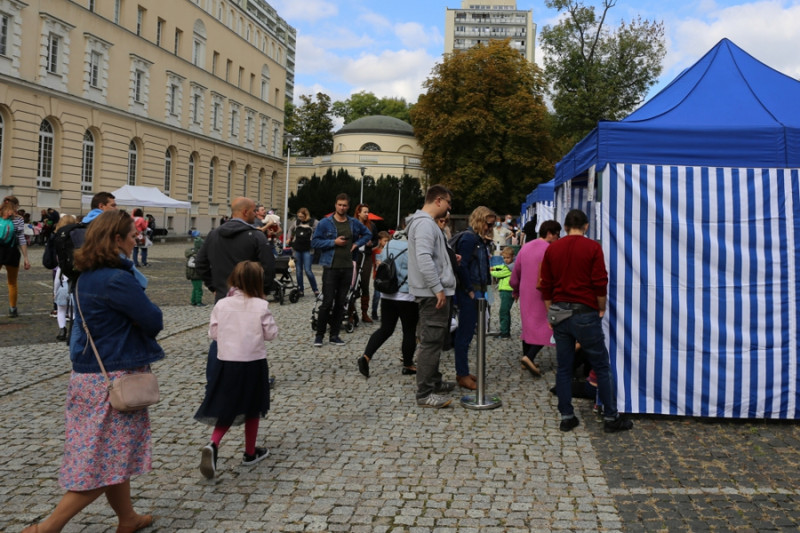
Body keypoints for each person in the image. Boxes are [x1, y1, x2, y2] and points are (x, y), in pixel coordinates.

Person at [22, 210, 164, 533]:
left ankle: (127, 518)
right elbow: (153, 320)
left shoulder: (86, 275)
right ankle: (47, 528)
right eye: (131, 235)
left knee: (114, 454)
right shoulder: (116, 278)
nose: (136, 239)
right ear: (116, 239)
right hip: (114, 381)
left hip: (88, 377)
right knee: (101, 463)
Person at [539, 209, 633, 433]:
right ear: (586, 226)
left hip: (559, 311)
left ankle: (567, 415)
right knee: (601, 365)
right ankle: (611, 417)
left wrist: (549, 312)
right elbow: (600, 281)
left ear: (564, 226)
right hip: (584, 311)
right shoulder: (592, 247)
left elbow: (546, 285)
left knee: (564, 367)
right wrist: (601, 307)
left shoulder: (553, 249)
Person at [195, 261, 278, 479]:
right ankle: (250, 452)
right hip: (253, 362)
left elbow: (213, 333)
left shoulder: (222, 304)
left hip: (227, 362)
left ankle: (213, 443)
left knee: (227, 406)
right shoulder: (261, 305)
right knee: (253, 406)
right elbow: (271, 334)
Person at [195, 197, 276, 387]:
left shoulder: (214, 234)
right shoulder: (256, 236)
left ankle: (214, 379)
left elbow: (200, 263)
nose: (257, 214)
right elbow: (269, 267)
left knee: (221, 338)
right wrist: (262, 290)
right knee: (252, 339)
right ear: (246, 212)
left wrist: (214, 287)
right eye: (255, 211)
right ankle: (257, 379)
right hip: (251, 297)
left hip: (223, 296)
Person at [406, 185, 457, 408]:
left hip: (432, 291)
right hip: (432, 294)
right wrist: (437, 288)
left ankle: (433, 382)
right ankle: (425, 394)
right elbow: (424, 258)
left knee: (435, 340)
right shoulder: (426, 224)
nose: (449, 208)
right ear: (438, 200)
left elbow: (432, 257)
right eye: (448, 203)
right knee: (431, 342)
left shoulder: (425, 224)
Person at [310, 193, 371, 347]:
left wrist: (357, 244)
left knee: (341, 303)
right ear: (335, 205)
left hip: (348, 267)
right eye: (340, 205)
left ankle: (335, 335)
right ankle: (319, 335)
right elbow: (315, 242)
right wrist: (333, 242)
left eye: (345, 205)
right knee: (327, 302)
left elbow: (368, 233)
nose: (342, 207)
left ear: (348, 207)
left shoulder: (352, 222)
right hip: (331, 267)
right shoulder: (325, 223)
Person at [357, 231, 418, 378]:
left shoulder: (389, 244)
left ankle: (366, 356)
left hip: (387, 293)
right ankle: (408, 364)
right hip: (406, 295)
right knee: (409, 331)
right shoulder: (414, 246)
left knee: (385, 329)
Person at [510, 220, 561, 377]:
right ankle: (529, 356)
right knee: (546, 326)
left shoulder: (526, 247)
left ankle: (527, 358)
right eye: (557, 235)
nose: (558, 238)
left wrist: (516, 289)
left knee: (528, 325)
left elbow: (515, 273)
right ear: (550, 233)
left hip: (526, 291)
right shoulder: (551, 250)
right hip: (542, 293)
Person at [452, 206, 495, 391]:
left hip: (477, 291)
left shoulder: (477, 239)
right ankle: (462, 374)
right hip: (470, 292)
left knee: (469, 333)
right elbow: (462, 265)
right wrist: (469, 290)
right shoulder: (470, 239)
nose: (490, 227)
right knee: (465, 334)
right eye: (488, 223)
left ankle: (464, 372)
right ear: (480, 220)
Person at [0, 195, 31, 317]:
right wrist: (26, 258)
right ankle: (12, 308)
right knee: (12, 282)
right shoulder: (18, 219)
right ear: (15, 206)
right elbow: (21, 239)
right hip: (12, 252)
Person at [53, 214, 78, 341]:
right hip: (75, 283)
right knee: (74, 310)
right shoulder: (77, 240)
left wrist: (54, 290)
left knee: (61, 309)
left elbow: (58, 273)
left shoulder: (59, 241)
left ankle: (62, 330)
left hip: (63, 282)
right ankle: (73, 331)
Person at [286, 207, 318, 298]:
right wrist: (289, 238)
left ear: (306, 215)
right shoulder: (297, 222)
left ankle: (315, 289)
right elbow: (290, 229)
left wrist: (315, 240)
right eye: (299, 216)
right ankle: (300, 290)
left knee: (308, 270)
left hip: (308, 249)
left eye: (302, 217)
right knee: (298, 271)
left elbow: (320, 230)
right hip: (297, 249)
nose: (300, 218)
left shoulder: (314, 222)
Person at [354, 203, 377, 323]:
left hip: (366, 256)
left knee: (365, 284)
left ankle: (364, 313)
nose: (367, 214)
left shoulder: (371, 226)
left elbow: (376, 240)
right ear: (359, 212)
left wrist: (371, 244)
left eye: (368, 212)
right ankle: (351, 312)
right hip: (354, 256)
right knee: (353, 284)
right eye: (365, 212)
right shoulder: (352, 224)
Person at [489, 246, 516, 339]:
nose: (506, 260)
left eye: (508, 258)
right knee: (505, 311)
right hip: (505, 291)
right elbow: (501, 267)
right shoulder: (508, 266)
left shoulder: (510, 268)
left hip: (507, 291)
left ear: (513, 257)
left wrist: (490, 271)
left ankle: (505, 332)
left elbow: (500, 273)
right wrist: (494, 268)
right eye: (504, 258)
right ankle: (505, 331)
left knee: (503, 312)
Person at [370, 231, 391, 320]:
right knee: (377, 296)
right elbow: (372, 262)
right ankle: (374, 311)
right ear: (380, 240)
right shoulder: (375, 251)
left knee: (386, 297)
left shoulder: (389, 251)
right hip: (378, 276)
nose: (386, 243)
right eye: (384, 241)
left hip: (387, 277)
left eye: (387, 241)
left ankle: (385, 313)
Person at [185, 230, 206, 307]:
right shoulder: (194, 255)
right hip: (195, 274)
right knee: (198, 289)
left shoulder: (197, 254)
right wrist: (199, 265)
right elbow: (190, 264)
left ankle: (193, 301)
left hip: (197, 274)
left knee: (195, 288)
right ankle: (198, 302)